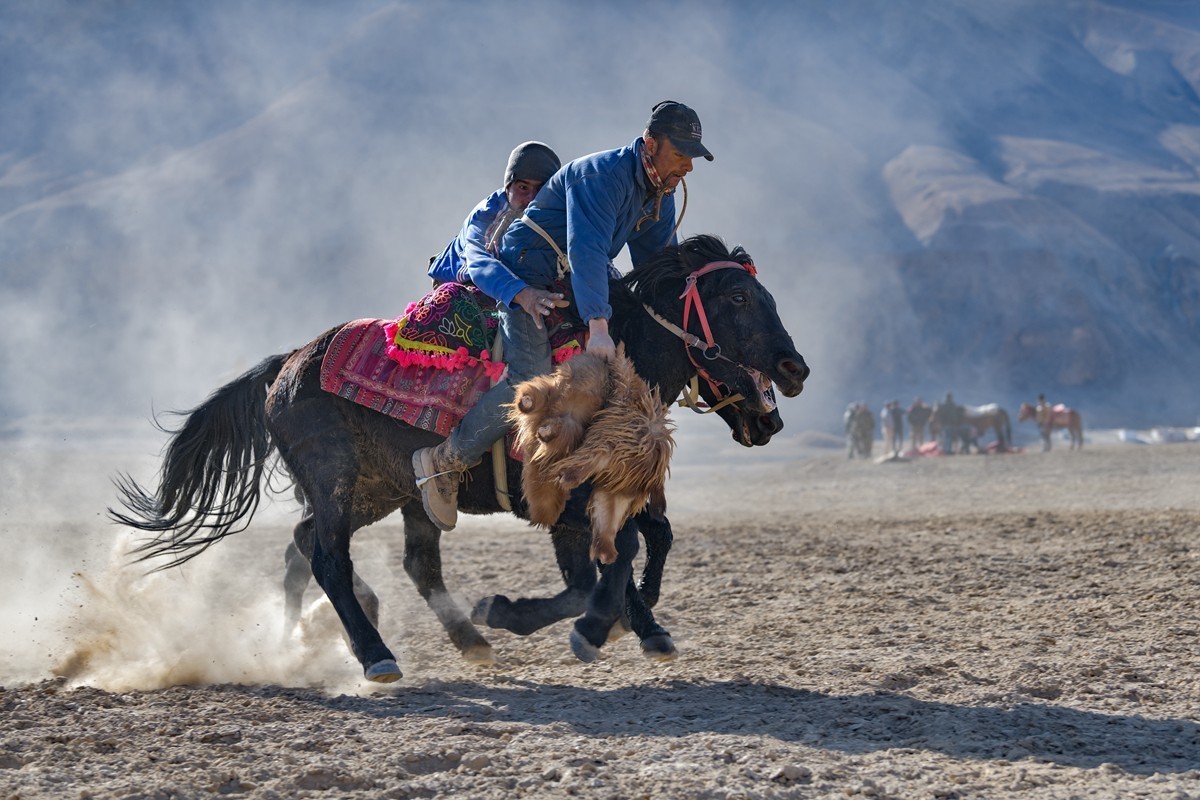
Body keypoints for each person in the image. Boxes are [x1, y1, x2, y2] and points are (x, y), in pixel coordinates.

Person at [413, 100, 713, 531]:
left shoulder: (660, 194)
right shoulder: (602, 176)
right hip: (527, 266)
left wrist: (685, 344)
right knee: (528, 376)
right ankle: (445, 461)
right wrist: (597, 325)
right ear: (650, 144)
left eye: (693, 157)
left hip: (566, 277)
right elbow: (587, 248)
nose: (687, 166)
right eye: (681, 153)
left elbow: (658, 267)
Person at [427, 141, 561, 289]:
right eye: (523, 187)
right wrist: (523, 295)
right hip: (461, 277)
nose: (531, 198)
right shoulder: (487, 214)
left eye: (541, 189)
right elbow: (478, 261)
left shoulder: (556, 209)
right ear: (508, 187)